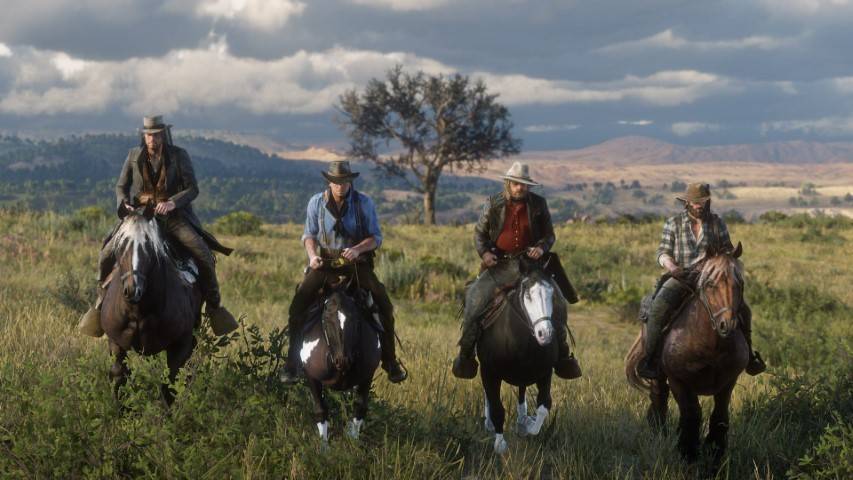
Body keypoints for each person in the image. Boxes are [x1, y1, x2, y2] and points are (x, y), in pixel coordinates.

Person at [77, 115, 237, 337]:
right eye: (149, 135)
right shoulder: (133, 155)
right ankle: (99, 305)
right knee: (106, 253)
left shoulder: (179, 155)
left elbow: (192, 189)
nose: (152, 139)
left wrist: (172, 203)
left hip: (171, 218)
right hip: (138, 218)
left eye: (156, 135)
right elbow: (121, 186)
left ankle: (214, 307)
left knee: (203, 253)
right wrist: (124, 203)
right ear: (144, 136)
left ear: (163, 135)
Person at [452, 161, 582, 380]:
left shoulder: (539, 203)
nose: (520, 187)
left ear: (528, 186)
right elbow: (479, 234)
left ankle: (562, 355)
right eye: (516, 183)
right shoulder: (493, 203)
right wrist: (485, 253)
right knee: (475, 297)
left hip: (531, 265)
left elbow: (549, 235)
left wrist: (541, 248)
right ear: (508, 184)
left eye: (523, 184)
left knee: (557, 299)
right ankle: (466, 355)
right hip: (500, 264)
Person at [280, 160, 407, 384]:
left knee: (383, 304)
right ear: (329, 182)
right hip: (325, 263)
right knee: (298, 304)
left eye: (344, 181)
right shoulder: (316, 203)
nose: (340, 186)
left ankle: (390, 361)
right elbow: (309, 235)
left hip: (356, 264)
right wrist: (312, 257)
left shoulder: (364, 203)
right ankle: (292, 363)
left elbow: (375, 238)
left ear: (350, 181)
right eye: (336, 182)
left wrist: (357, 249)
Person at [637, 182, 766, 379]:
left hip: (711, 277)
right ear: (687, 203)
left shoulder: (717, 223)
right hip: (682, 277)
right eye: (695, 202)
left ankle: (750, 357)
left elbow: (726, 249)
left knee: (743, 310)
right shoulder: (673, 223)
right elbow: (662, 252)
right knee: (657, 308)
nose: (699, 205)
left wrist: (727, 258)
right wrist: (673, 268)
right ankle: (650, 359)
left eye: (703, 202)